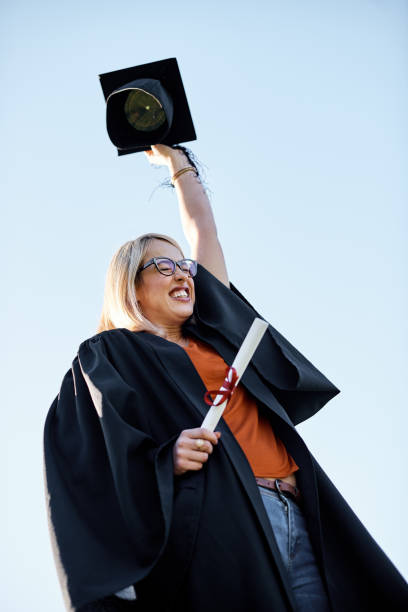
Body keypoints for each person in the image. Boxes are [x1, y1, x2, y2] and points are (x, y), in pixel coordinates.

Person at [43, 145, 408, 612]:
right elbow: (94, 459)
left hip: (298, 506)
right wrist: (165, 458)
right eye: (163, 265)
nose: (183, 274)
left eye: (185, 267)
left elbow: (203, 231)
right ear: (130, 283)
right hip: (227, 518)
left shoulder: (217, 333)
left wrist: (179, 164)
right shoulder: (110, 354)